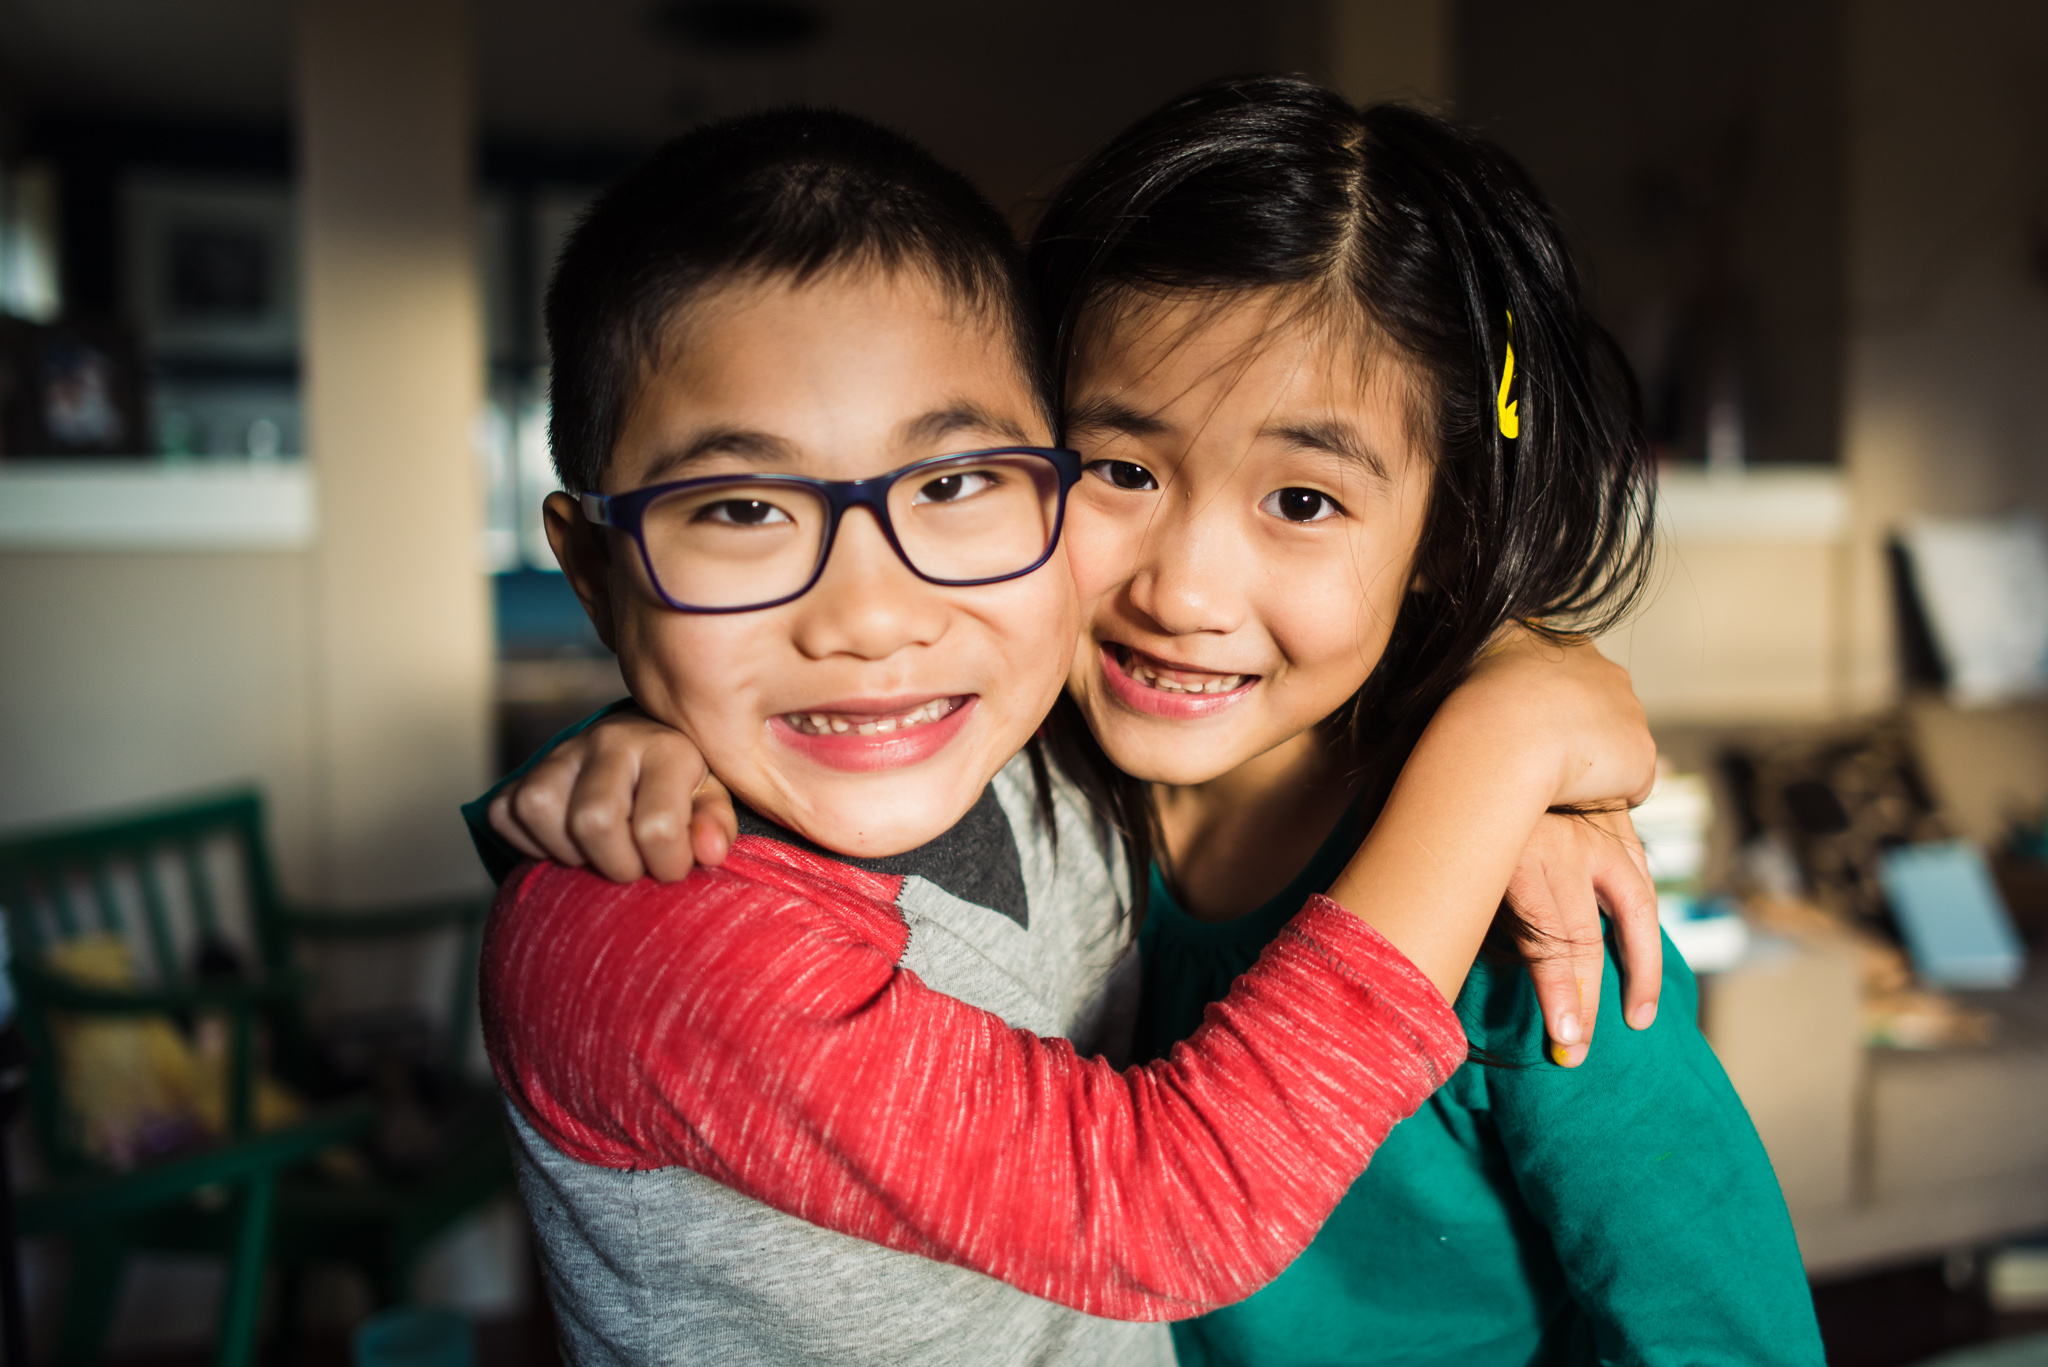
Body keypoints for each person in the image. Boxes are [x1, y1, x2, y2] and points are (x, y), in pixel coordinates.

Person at [490, 80, 1822, 1366]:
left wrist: (1506, 732)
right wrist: (628, 744)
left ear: (1445, 534)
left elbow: (1721, 1329)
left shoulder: (1535, 934)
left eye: (1301, 502)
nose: (1182, 591)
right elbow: (739, 818)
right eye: (1120, 470)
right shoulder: (1033, 769)